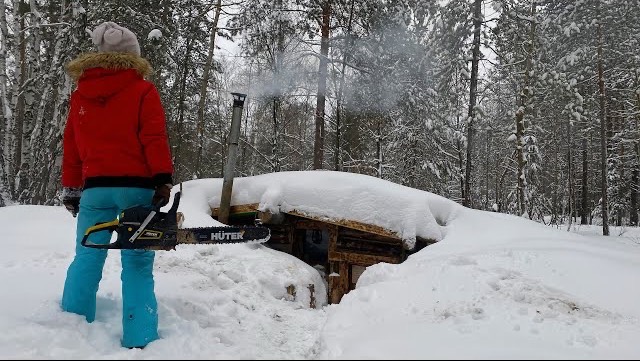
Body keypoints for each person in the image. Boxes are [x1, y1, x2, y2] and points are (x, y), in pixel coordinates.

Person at [60, 21, 174, 349]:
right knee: (137, 263)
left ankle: (70, 333)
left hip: (95, 191)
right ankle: (140, 339)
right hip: (136, 189)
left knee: (86, 257)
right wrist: (162, 179)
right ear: (132, 56)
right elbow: (153, 137)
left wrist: (71, 188)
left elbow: (73, 146)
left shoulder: (81, 95)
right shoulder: (142, 90)